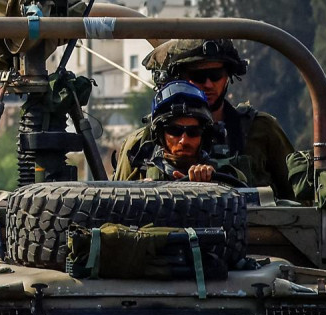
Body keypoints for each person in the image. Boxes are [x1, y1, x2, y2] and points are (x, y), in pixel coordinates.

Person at [113, 39, 293, 197]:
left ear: (227, 77)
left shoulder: (261, 130)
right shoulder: (140, 146)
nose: (208, 84)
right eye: (198, 76)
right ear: (178, 78)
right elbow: (114, 206)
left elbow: (299, 204)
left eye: (216, 76)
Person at [120, 81, 248, 183]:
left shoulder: (223, 172)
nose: (184, 140)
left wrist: (213, 185)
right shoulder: (138, 171)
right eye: (174, 131)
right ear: (160, 134)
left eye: (193, 132)